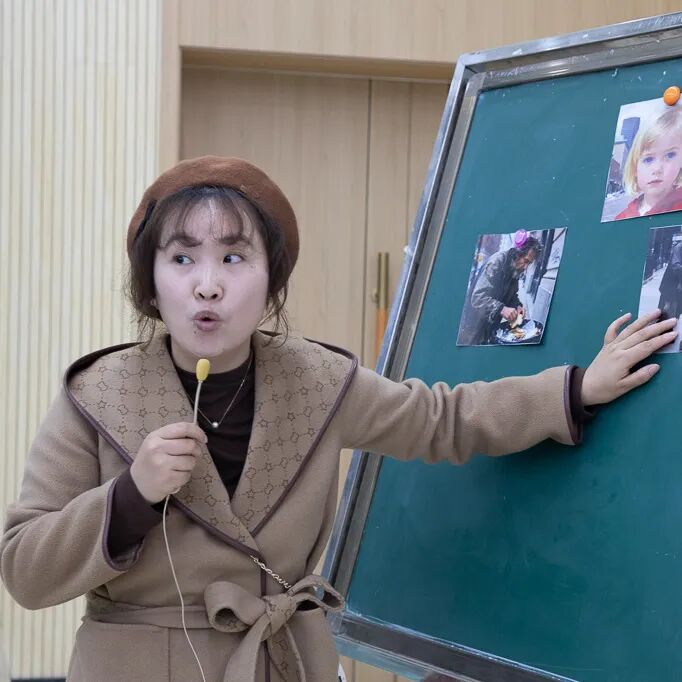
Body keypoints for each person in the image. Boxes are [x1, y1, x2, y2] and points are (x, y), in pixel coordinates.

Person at [0, 156, 676, 682]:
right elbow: (25, 570)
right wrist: (131, 496)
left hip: (280, 662)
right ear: (150, 283)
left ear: (272, 279)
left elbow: (440, 419)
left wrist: (576, 389)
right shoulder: (98, 394)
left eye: (234, 257)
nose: (208, 284)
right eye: (182, 259)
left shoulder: (316, 380)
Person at [457, 230, 541, 346]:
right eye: (526, 261)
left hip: (490, 327)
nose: (526, 267)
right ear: (518, 253)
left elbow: (512, 295)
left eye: (529, 263)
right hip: (472, 328)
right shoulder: (497, 262)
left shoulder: (515, 268)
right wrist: (501, 309)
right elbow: (478, 298)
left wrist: (517, 306)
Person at [615, 107, 682, 220]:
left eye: (670, 155)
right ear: (635, 168)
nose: (657, 168)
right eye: (648, 159)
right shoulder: (621, 218)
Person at [658, 237, 682, 322]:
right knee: (667, 309)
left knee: (676, 311)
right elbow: (676, 266)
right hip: (672, 284)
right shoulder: (679, 247)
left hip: (677, 283)